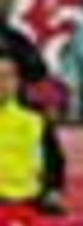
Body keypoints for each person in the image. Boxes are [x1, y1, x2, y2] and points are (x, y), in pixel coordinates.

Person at [0, 51, 64, 214]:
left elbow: (54, 161)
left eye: (8, 76)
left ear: (18, 81)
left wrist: (53, 192)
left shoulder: (36, 118)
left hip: (29, 203)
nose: (2, 83)